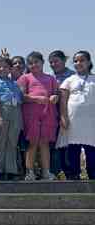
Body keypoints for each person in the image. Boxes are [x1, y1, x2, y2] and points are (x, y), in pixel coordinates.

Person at [18, 51, 59, 181]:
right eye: (30, 63)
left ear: (42, 62)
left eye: (36, 62)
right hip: (31, 114)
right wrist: (36, 99)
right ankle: (30, 172)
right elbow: (21, 96)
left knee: (45, 143)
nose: (34, 65)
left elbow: (56, 94)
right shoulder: (25, 78)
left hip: (48, 113)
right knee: (32, 142)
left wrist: (54, 97)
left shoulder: (51, 78)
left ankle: (46, 172)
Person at [59, 50, 95, 180]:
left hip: (91, 122)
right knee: (73, 148)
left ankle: (92, 175)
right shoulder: (69, 80)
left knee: (91, 149)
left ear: (89, 62)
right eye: (75, 61)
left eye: (82, 60)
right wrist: (63, 117)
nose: (78, 63)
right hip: (73, 120)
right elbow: (63, 101)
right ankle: (73, 175)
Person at [0, 58, 22, 180]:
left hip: (15, 111)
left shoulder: (14, 83)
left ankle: (10, 170)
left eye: (5, 67)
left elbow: (20, 99)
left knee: (12, 142)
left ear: (10, 69)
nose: (2, 69)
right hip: (2, 110)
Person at [50, 51, 77, 180]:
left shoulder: (72, 76)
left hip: (69, 114)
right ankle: (56, 172)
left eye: (56, 61)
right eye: (51, 62)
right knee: (55, 145)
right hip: (52, 115)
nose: (53, 64)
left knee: (69, 145)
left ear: (64, 61)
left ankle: (71, 172)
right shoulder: (50, 77)